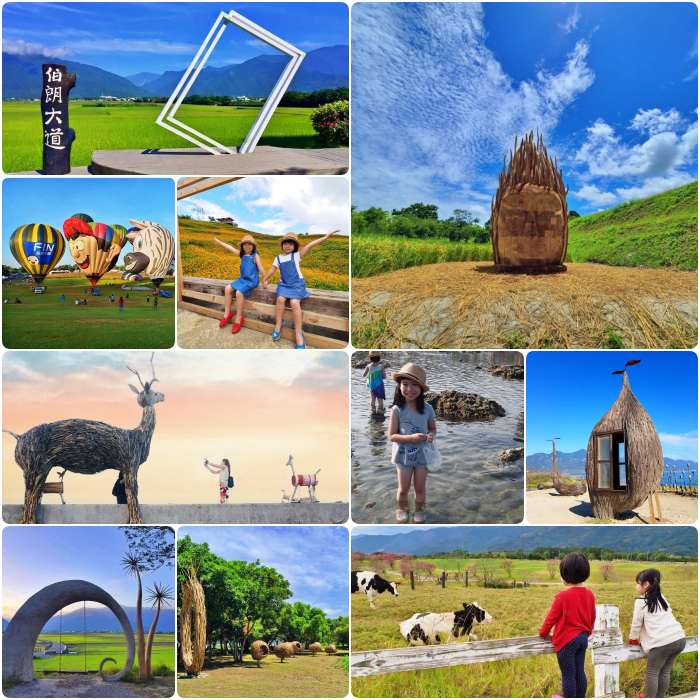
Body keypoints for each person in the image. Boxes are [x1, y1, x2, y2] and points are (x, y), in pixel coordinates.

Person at [262, 230, 339, 349]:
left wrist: (325, 237)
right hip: (284, 285)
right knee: (280, 299)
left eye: (291, 243)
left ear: (295, 246)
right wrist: (265, 278)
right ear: (282, 245)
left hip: (297, 284)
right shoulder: (278, 258)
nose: (287, 246)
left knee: (294, 302)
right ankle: (279, 323)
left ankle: (298, 332)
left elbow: (310, 245)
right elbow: (272, 270)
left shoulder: (296, 255)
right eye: (285, 243)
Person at [539, 552, 596, 699]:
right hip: (583, 638)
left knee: (568, 675)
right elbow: (592, 617)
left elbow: (550, 619)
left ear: (565, 577)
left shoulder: (562, 596)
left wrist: (543, 633)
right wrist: (587, 633)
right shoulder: (589, 594)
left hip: (567, 640)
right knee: (580, 672)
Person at [388, 363, 436, 523]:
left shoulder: (428, 409)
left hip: (423, 457)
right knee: (403, 489)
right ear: (399, 386)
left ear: (421, 388)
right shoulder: (396, 410)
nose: (410, 389)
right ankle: (401, 509)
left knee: (420, 488)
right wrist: (412, 438)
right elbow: (392, 436)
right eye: (405, 384)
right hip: (403, 458)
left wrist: (430, 436)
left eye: (415, 385)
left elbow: (432, 429)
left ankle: (418, 510)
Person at [629, 569, 686, 699]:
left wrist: (633, 638)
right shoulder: (662, 598)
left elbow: (636, 623)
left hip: (663, 643)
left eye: (638, 583)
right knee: (664, 672)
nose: (635, 586)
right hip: (679, 639)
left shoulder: (641, 601)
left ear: (646, 585)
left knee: (652, 673)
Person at [215, 235, 265, 334]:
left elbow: (261, 268)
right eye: (245, 244)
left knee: (238, 293)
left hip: (252, 281)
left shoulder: (255, 255)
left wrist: (265, 279)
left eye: (249, 244)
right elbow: (230, 248)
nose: (247, 246)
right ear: (242, 246)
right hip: (242, 279)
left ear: (253, 246)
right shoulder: (242, 255)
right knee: (227, 288)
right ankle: (227, 314)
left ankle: (238, 318)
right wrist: (220, 242)